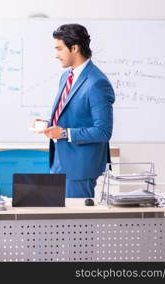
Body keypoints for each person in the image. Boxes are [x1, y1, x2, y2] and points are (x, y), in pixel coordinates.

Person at [36, 24, 115, 198]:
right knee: (58, 222)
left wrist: (64, 133)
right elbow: (72, 116)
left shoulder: (97, 83)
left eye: (59, 49)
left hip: (79, 168)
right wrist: (48, 125)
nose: (56, 55)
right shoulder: (67, 76)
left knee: (76, 223)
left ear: (74, 48)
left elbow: (103, 131)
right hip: (59, 160)